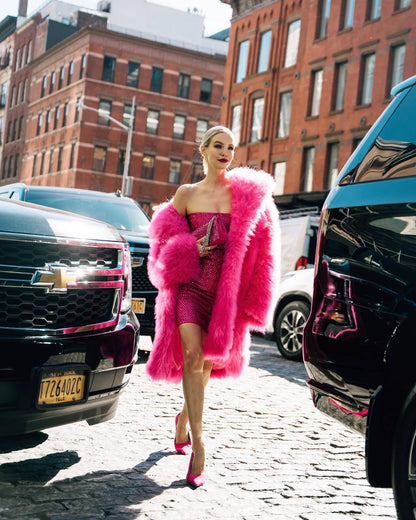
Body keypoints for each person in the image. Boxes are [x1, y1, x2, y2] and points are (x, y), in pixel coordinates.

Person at [146, 125, 280, 487]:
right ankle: (200, 445)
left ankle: (184, 421)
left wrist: (256, 297)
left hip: (224, 293)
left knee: (206, 363)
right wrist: (191, 248)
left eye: (231, 147)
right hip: (190, 288)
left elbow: (263, 250)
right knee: (192, 357)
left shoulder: (245, 196)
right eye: (218, 145)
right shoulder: (186, 194)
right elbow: (161, 247)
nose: (225, 152)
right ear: (202, 150)